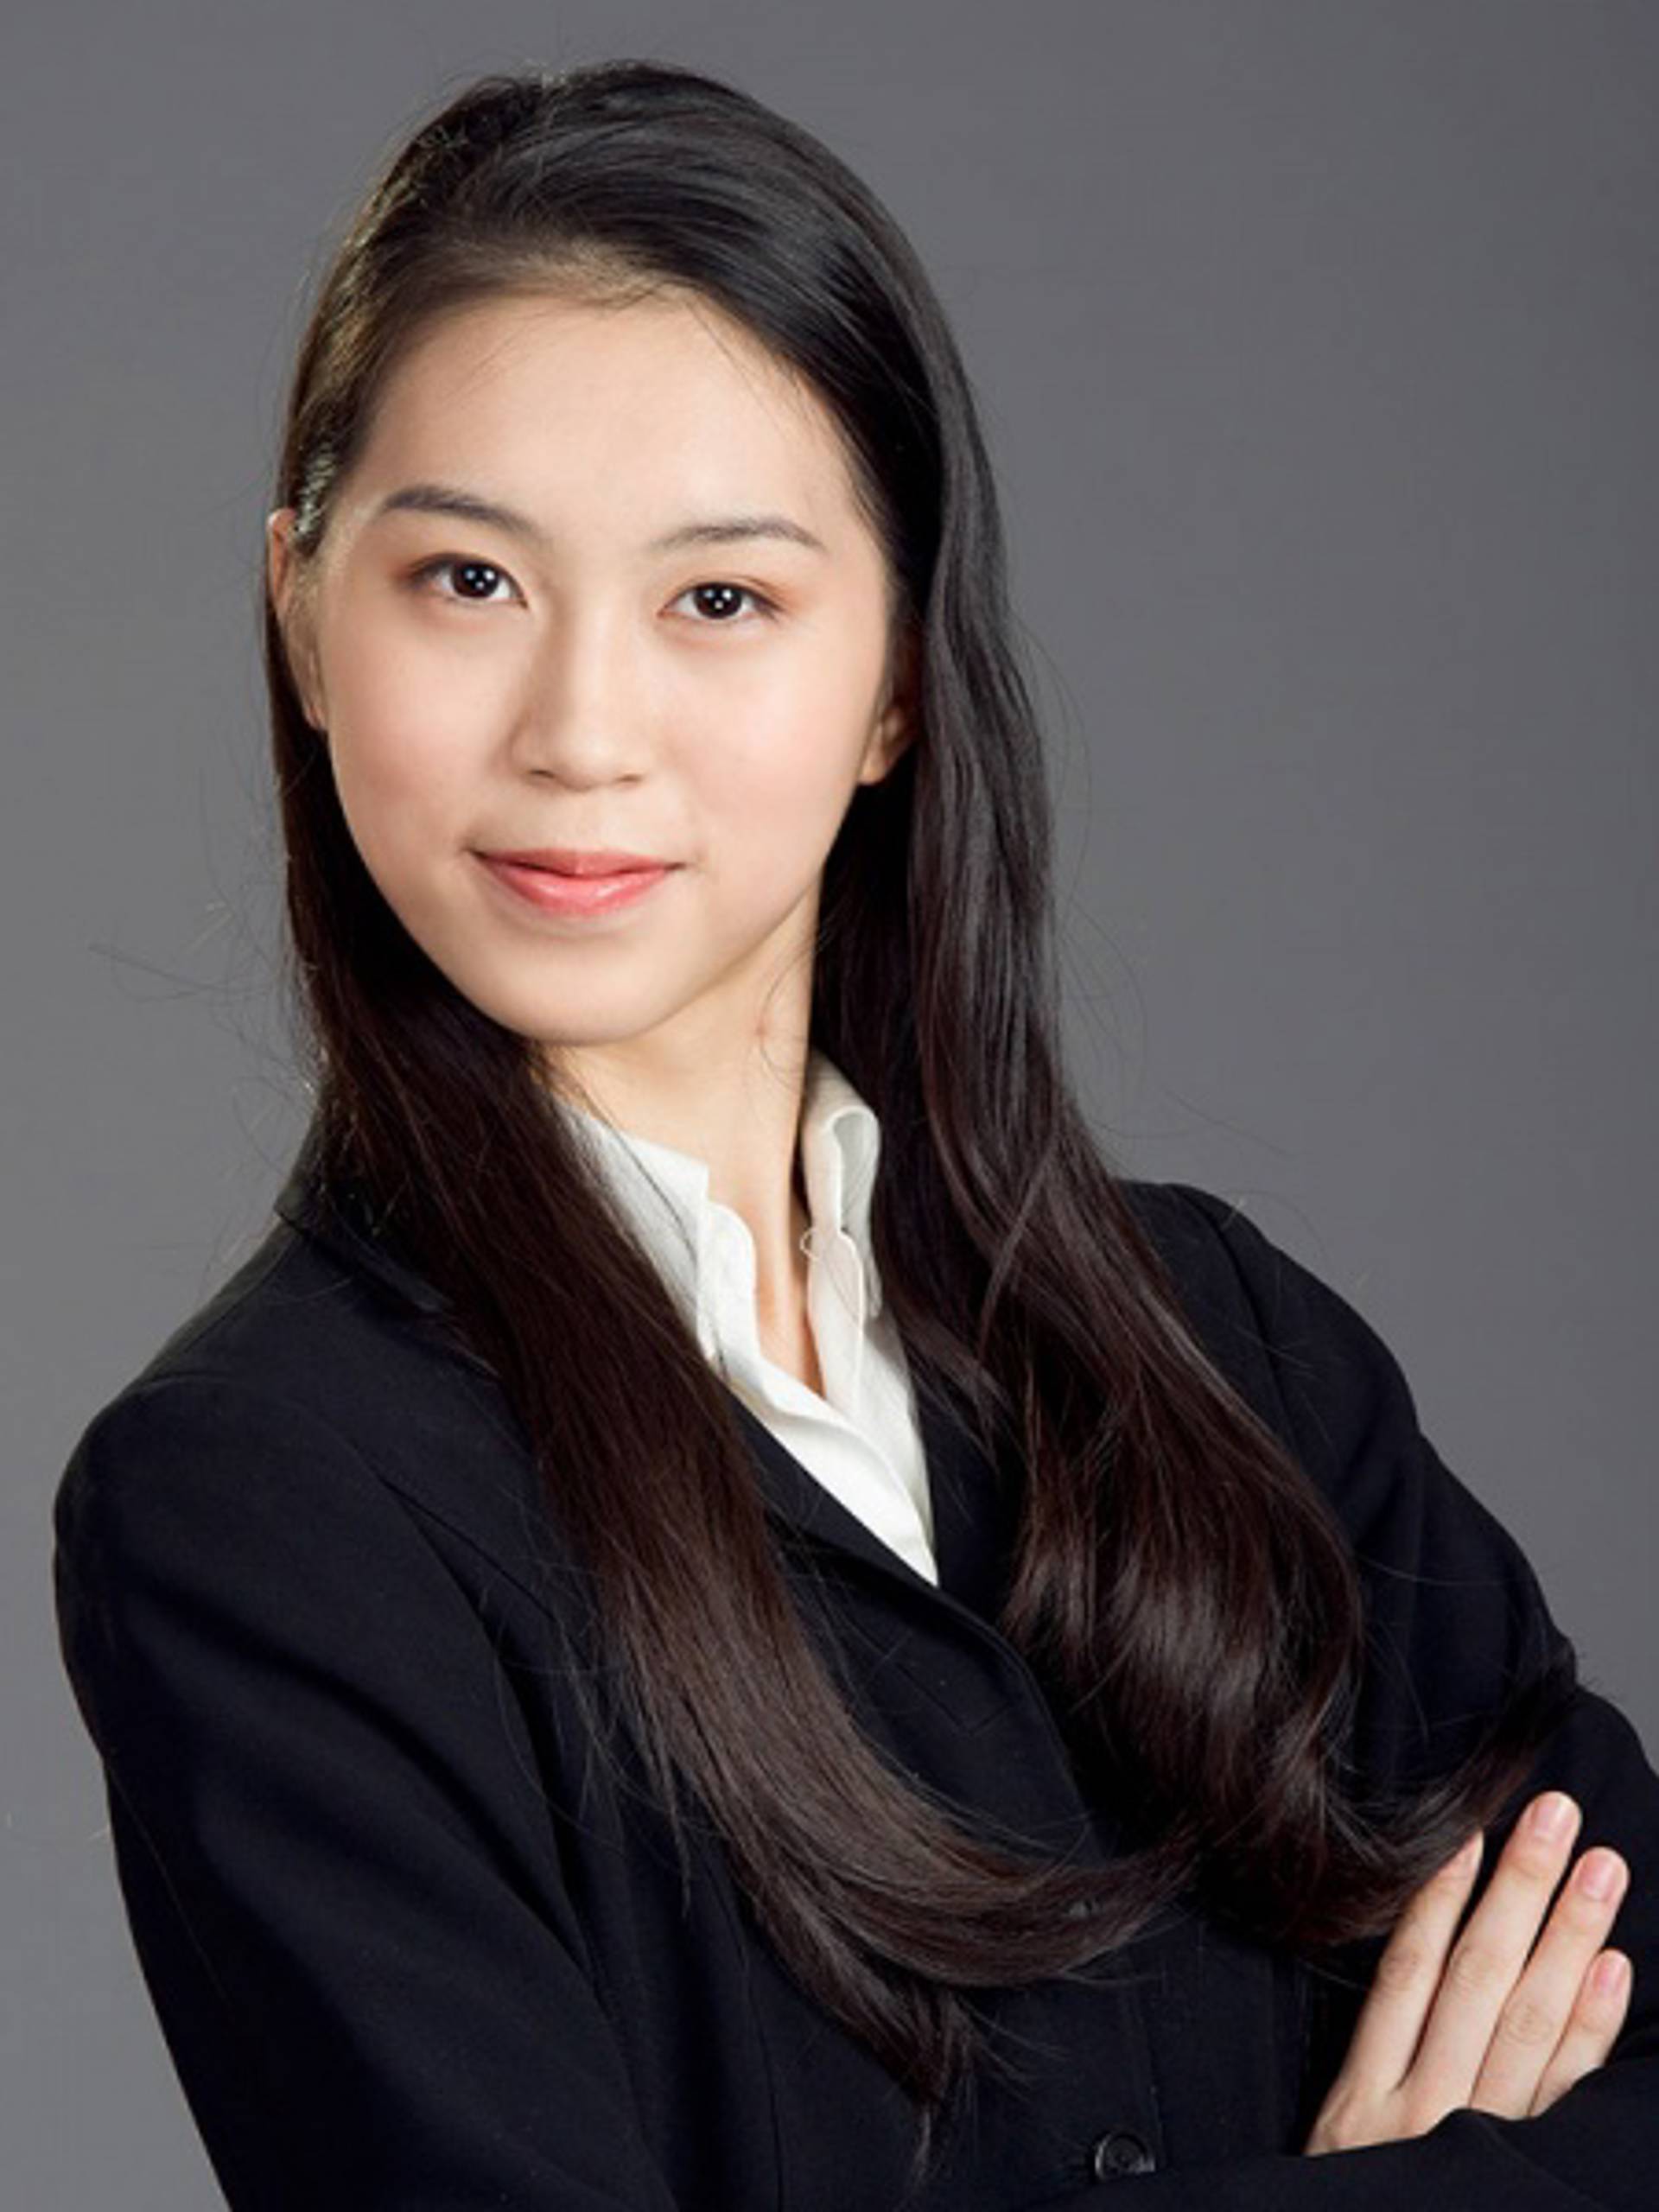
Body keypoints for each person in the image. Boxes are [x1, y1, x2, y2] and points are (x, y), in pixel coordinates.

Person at [50, 57, 1655, 2212]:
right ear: (301, 614)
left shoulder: (1232, 1348)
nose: (581, 736)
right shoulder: (263, 1505)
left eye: (722, 600)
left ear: (896, 678)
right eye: (466, 582)